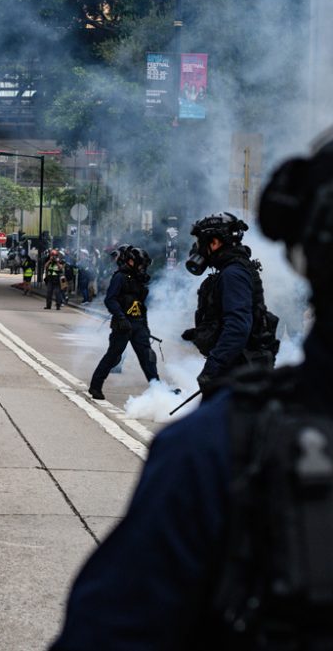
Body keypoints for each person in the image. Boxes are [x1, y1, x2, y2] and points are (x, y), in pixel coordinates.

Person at [50, 135, 333, 651]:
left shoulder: (221, 447)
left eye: (204, 243)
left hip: (235, 372)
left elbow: (112, 628)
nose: (199, 252)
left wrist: (215, 367)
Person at [181, 212, 280, 393]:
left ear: (215, 242)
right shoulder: (235, 269)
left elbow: (238, 326)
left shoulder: (232, 274)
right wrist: (201, 333)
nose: (198, 248)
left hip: (239, 368)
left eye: (200, 242)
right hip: (241, 364)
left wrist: (214, 366)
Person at [87, 245, 160, 400]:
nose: (142, 268)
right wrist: (120, 317)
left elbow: (142, 306)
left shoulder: (139, 281)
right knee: (113, 356)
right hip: (123, 324)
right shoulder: (120, 277)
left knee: (148, 359)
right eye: (141, 265)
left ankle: (159, 390)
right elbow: (110, 299)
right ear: (132, 262)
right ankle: (95, 386)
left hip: (138, 324)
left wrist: (145, 327)